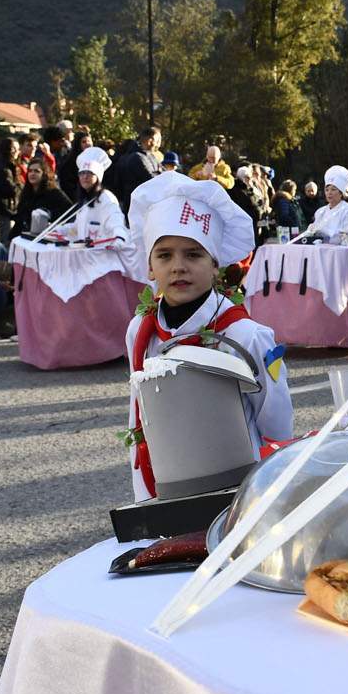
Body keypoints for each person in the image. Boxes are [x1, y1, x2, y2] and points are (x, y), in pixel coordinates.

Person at [124, 173, 293, 501]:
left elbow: (276, 422)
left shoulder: (247, 336)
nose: (178, 267)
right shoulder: (138, 331)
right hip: (165, 491)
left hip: (239, 493)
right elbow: (140, 411)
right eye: (164, 255)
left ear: (216, 264)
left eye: (193, 254)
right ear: (148, 267)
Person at [72, 147, 126, 241]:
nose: (85, 177)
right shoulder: (84, 200)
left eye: (90, 173)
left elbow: (116, 222)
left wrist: (119, 237)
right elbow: (76, 228)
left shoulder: (106, 197)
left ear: (97, 177)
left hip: (102, 253)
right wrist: (58, 230)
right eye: (82, 173)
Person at [10, 160, 72, 238]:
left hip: (45, 237)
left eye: (37, 171)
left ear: (44, 174)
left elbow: (69, 210)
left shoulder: (53, 192)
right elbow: (21, 217)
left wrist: (48, 215)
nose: (32, 174)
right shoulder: (26, 193)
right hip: (25, 236)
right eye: (30, 171)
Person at [112, 127, 162, 215]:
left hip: (138, 204)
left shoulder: (148, 156)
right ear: (150, 140)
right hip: (136, 206)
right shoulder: (137, 157)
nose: (158, 145)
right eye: (157, 141)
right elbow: (151, 179)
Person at [306, 165, 348, 241]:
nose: (329, 193)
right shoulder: (320, 212)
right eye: (327, 190)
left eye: (333, 189)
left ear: (341, 193)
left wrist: (324, 231)